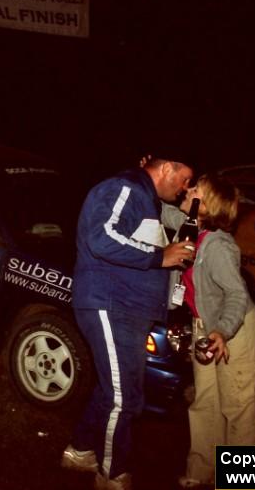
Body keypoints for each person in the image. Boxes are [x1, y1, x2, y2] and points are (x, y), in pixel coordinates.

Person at [61, 157, 196, 490]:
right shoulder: (125, 187)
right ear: (167, 169)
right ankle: (113, 473)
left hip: (128, 308)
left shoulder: (146, 200)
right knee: (125, 397)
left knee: (114, 391)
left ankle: (80, 451)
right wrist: (159, 256)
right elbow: (102, 236)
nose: (183, 189)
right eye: (184, 179)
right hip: (111, 302)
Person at [162, 174, 255, 489]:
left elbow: (237, 295)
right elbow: (159, 207)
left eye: (196, 191)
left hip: (234, 330)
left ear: (206, 207)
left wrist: (222, 331)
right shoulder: (191, 225)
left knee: (239, 408)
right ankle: (202, 470)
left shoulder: (219, 246)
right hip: (206, 325)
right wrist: (147, 175)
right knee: (206, 401)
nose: (188, 189)